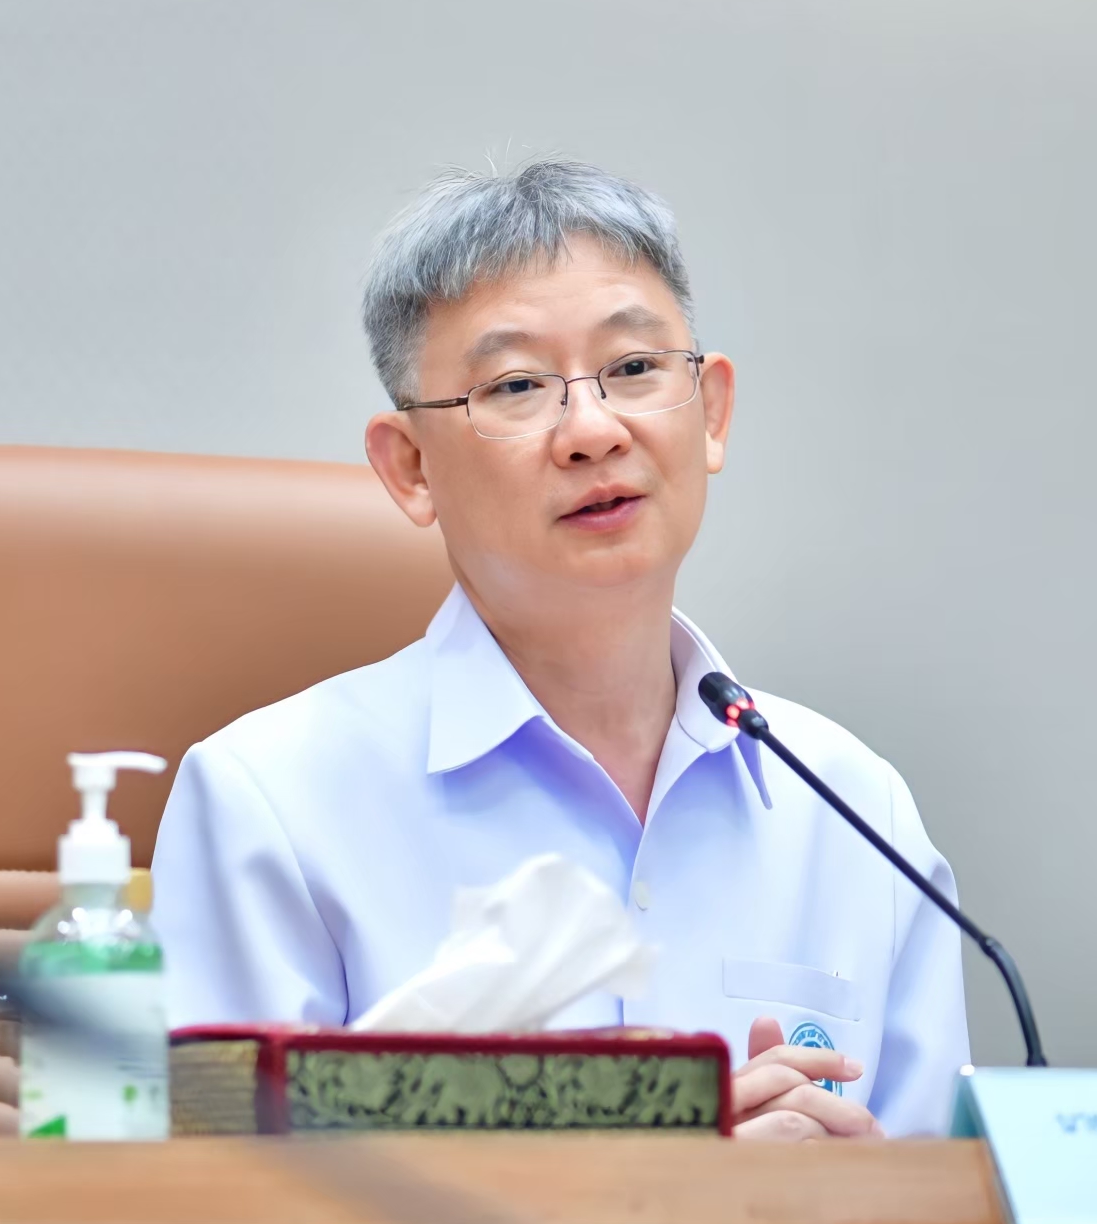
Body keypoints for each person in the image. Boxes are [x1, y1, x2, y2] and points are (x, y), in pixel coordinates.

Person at [152, 160, 970, 1139]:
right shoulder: (269, 802)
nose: (592, 429)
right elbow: (215, 1203)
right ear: (410, 468)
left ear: (711, 412)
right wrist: (671, 1192)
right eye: (516, 385)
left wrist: (847, 1194)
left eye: (634, 368)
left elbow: (948, 1206)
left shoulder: (852, 809)